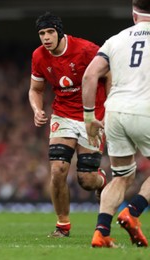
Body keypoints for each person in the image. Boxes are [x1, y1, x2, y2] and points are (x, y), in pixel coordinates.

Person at [28, 12, 110, 238]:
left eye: (50, 32)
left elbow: (109, 73)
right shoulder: (39, 56)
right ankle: (62, 225)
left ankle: (101, 181)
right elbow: (35, 89)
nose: (45, 37)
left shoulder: (86, 50)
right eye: (42, 33)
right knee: (57, 170)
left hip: (91, 115)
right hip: (62, 115)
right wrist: (37, 109)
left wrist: (109, 105)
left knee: (86, 180)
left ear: (59, 31)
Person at [83, 0, 150, 248]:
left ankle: (101, 231)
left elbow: (90, 75)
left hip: (115, 111)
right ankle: (133, 211)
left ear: (134, 15)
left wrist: (89, 117)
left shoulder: (116, 39)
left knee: (122, 176)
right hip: (146, 109)